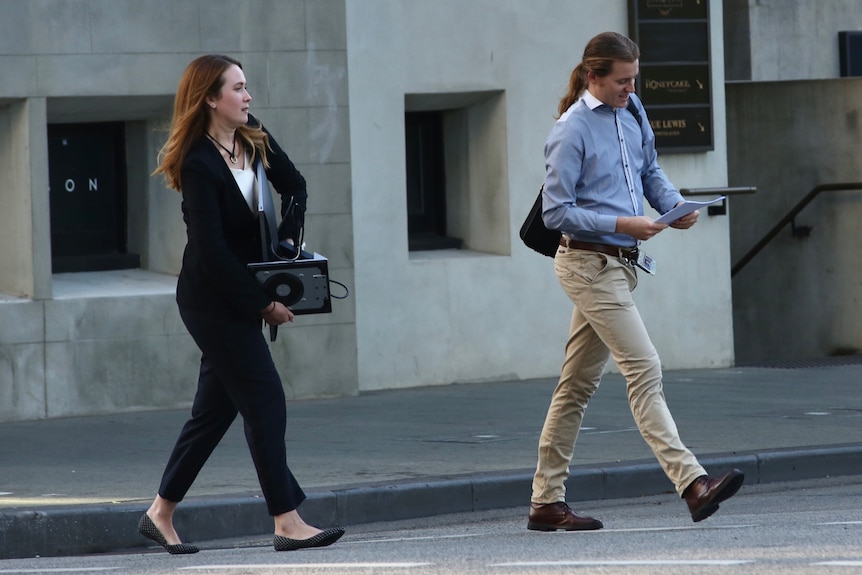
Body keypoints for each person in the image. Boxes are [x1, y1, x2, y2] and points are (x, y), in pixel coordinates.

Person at [528, 32, 744, 532]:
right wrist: (625, 224)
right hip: (586, 264)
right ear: (593, 77)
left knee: (575, 387)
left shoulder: (633, 111)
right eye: (621, 81)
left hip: (620, 265)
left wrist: (673, 206)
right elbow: (557, 212)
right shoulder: (570, 130)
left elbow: (649, 170)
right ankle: (692, 483)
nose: (630, 89)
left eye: (634, 80)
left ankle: (545, 502)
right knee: (644, 366)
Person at [138, 54, 344, 554]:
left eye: (246, 87)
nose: (248, 97)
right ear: (211, 97)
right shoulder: (198, 162)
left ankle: (159, 512)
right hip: (211, 300)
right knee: (265, 398)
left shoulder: (251, 135)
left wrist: (288, 247)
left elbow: (294, 186)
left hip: (246, 288)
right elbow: (210, 252)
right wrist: (262, 304)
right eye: (238, 88)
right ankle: (287, 520)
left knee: (214, 412)